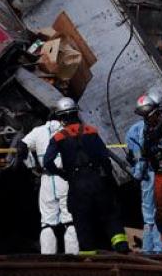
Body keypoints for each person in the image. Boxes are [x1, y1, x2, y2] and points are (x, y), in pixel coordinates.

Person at [44, 98, 129, 255]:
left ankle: (89, 256)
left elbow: (47, 162)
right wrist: (107, 178)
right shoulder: (91, 131)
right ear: (76, 113)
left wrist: (62, 174)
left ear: (61, 117)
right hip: (98, 180)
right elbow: (105, 158)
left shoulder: (58, 138)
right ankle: (121, 246)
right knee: (110, 214)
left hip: (77, 184)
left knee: (82, 219)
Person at [125, 89, 162, 253]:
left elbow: (135, 155)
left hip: (156, 173)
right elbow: (137, 154)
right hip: (152, 173)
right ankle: (155, 247)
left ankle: (155, 247)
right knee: (154, 213)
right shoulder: (140, 130)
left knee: (155, 213)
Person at [18, 110, 79, 255]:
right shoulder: (67, 130)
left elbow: (21, 147)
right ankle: (73, 255)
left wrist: (31, 166)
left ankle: (48, 256)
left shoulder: (38, 131)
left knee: (47, 222)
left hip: (46, 179)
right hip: (65, 178)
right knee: (69, 219)